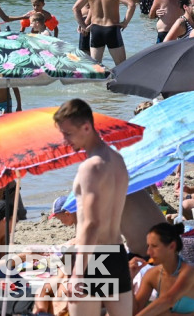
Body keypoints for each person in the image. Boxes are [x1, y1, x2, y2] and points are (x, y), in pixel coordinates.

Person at [53, 99, 132, 315]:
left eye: (68, 134)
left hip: (94, 257)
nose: (65, 140)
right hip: (117, 253)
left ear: (86, 127)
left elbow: (91, 223)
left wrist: (78, 272)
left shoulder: (91, 167)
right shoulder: (117, 160)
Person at [133, 222, 194, 315]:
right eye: (148, 246)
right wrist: (128, 278)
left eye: (154, 246)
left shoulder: (190, 271)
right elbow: (135, 310)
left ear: (172, 246)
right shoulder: (152, 274)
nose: (148, 252)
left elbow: (169, 300)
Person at [73, 0, 136, 65]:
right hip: (112, 29)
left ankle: (97, 81)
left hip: (96, 29)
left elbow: (75, 8)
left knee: (96, 67)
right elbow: (131, 5)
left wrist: (84, 26)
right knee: (121, 66)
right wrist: (125, 22)